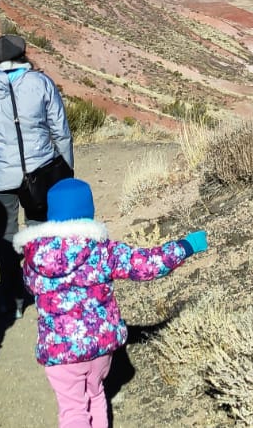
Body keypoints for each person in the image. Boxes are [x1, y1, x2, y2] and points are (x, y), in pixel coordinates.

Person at [15, 178, 207, 428]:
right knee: (96, 397)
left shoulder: (34, 258)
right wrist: (186, 245)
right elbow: (147, 264)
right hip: (100, 348)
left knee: (73, 409)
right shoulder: (103, 251)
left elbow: (30, 286)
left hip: (59, 351)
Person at [0, 33, 73, 318]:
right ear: (24, 54)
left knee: (5, 236)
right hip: (41, 172)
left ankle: (12, 301)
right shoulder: (40, 83)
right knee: (40, 232)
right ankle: (46, 293)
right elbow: (60, 131)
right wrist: (68, 172)